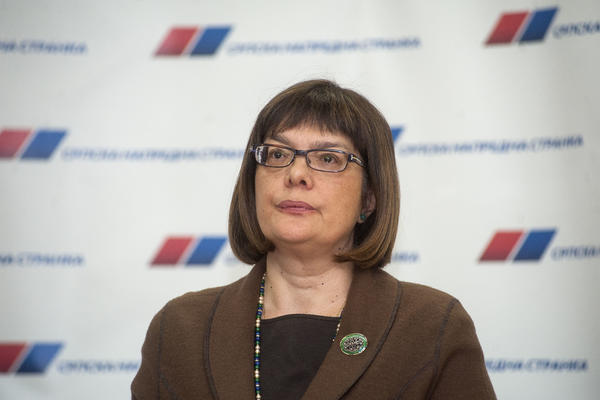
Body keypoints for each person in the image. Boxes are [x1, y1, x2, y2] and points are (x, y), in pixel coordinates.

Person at [131, 79, 496, 399]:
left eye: (328, 158)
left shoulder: (431, 327)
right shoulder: (180, 329)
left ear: (369, 198)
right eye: (278, 153)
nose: (296, 174)